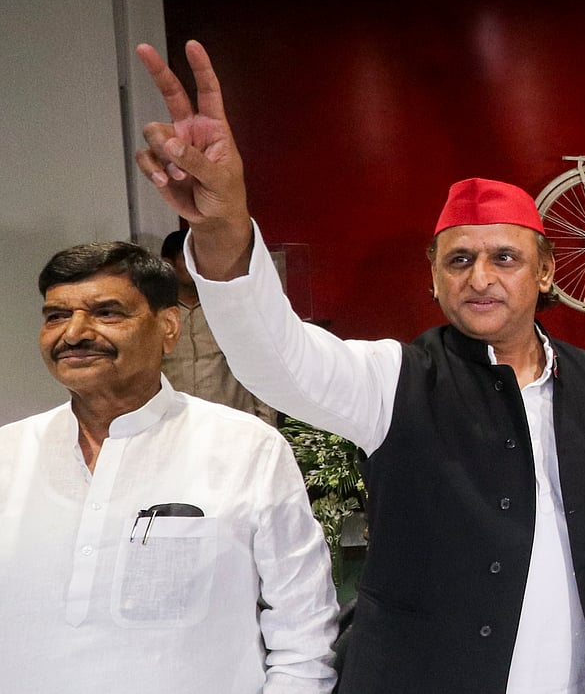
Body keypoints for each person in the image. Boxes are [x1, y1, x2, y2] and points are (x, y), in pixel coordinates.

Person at [132, 40, 585, 694]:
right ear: (434, 279)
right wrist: (224, 228)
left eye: (504, 257)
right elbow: (275, 359)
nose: (480, 276)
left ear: (547, 270)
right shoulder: (392, 379)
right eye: (458, 259)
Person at [0, 241, 338, 693]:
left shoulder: (245, 449)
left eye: (107, 312)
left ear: (169, 327)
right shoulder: (9, 453)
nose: (75, 333)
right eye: (56, 315)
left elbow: (304, 628)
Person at [160, 229, 276, 425]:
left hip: (232, 423)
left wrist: (267, 422)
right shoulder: (155, 314)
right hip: (175, 424)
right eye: (189, 259)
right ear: (168, 264)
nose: (199, 266)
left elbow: (257, 364)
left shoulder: (231, 308)